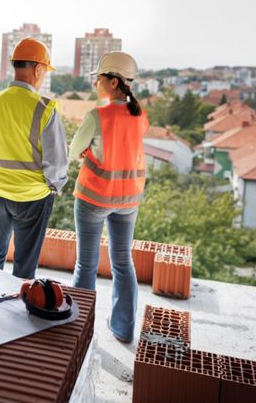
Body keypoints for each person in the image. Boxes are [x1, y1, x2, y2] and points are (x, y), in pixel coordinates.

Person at [69, 51, 148, 344]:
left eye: (98, 79)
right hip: (128, 201)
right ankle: (124, 329)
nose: (95, 85)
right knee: (123, 263)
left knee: (86, 266)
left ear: (113, 82)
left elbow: (74, 150)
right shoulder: (139, 115)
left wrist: (89, 153)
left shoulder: (96, 116)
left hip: (94, 198)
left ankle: (80, 330)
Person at [0, 38, 68, 279]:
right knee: (24, 265)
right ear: (38, 69)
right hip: (32, 196)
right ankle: (16, 307)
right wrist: (54, 188)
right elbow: (57, 164)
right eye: (45, 71)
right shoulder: (44, 109)